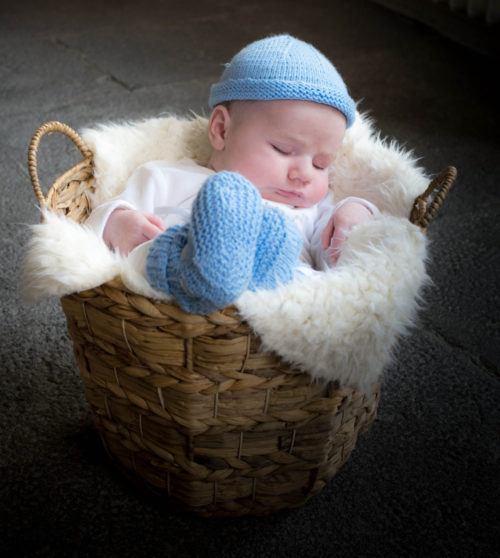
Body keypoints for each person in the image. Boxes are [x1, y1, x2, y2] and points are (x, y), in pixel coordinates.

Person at [86, 34, 379, 314]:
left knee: (309, 282)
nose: (304, 174)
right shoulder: (165, 177)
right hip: (171, 293)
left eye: (321, 164)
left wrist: (354, 212)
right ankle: (205, 268)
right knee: (149, 255)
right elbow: (89, 233)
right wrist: (117, 222)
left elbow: (338, 264)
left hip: (276, 309)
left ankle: (246, 275)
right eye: (283, 149)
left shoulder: (313, 209)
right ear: (221, 130)